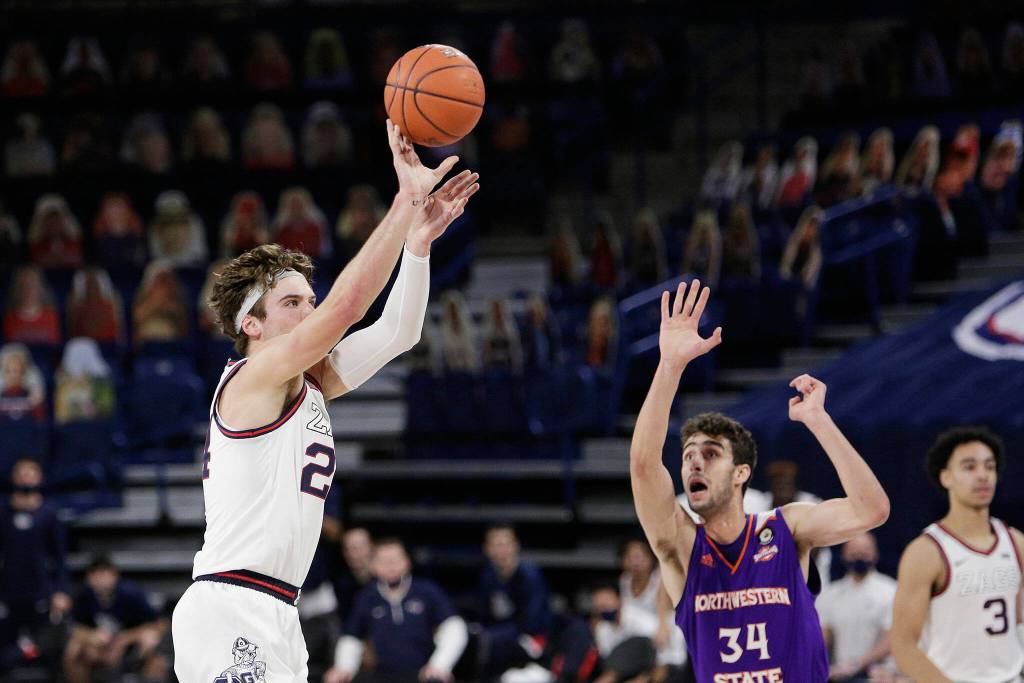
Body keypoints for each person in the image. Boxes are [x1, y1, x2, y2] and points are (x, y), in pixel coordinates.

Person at [170, 119, 479, 683]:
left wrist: (417, 248)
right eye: (292, 303)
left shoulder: (305, 384)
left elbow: (399, 333)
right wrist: (406, 203)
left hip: (277, 610)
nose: (309, 311)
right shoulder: (253, 377)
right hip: (231, 605)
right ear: (252, 325)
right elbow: (347, 309)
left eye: (310, 299)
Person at [629, 279, 890, 681]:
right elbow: (645, 465)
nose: (695, 463)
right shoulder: (682, 547)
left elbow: (872, 510)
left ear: (742, 474)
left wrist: (819, 422)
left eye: (711, 454)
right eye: (688, 456)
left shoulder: (787, 528)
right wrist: (670, 366)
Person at [890, 427, 1023, 682]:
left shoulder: (1016, 542)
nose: (983, 475)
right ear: (946, 477)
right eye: (969, 467)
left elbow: (1018, 621)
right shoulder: (926, 552)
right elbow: (903, 645)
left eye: (989, 466)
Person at [324, 538, 468, 683]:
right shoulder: (367, 597)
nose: (390, 566)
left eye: (395, 560)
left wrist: (440, 665)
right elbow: (351, 637)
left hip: (422, 674)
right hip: (381, 675)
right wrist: (343, 667)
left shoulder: (427, 591)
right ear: (373, 565)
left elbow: (454, 627)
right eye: (384, 561)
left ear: (407, 561)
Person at [0, 458, 71, 658]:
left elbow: (59, 557)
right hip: (8, 590)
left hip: (41, 590)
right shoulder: (3, 513)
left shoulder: (49, 514)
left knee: (46, 651)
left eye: (30, 473)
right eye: (21, 473)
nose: (25, 478)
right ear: (13, 478)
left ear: (39, 478)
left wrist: (61, 591)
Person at [64, 556, 168, 683]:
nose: (101, 580)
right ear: (89, 578)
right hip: (101, 646)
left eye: (105, 574)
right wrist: (90, 635)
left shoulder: (130, 594)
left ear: (114, 576)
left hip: (131, 645)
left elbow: (160, 623)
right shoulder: (85, 596)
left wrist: (126, 638)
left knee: (150, 641)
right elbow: (74, 625)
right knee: (74, 648)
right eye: (96, 575)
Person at [816, 532, 896, 681]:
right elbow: (821, 639)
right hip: (840, 674)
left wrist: (857, 664)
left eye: (865, 552)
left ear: (875, 554)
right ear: (844, 555)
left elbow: (891, 639)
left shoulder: (890, 591)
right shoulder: (832, 594)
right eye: (854, 552)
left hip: (877, 675)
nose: (859, 556)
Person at [478, 523, 553, 678]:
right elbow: (485, 615)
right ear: (487, 549)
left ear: (515, 546)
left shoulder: (530, 576)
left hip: (532, 639)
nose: (501, 551)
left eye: (505, 545)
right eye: (495, 545)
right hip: (501, 639)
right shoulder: (488, 577)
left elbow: (531, 621)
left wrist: (496, 635)